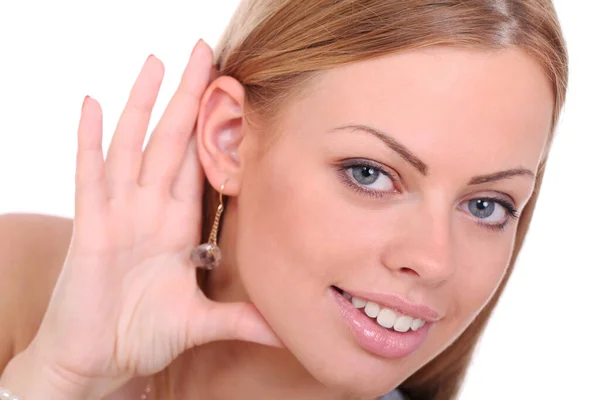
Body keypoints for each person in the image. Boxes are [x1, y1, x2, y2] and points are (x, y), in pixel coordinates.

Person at [0, 0, 568, 399]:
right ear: (229, 139)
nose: (435, 260)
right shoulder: (14, 278)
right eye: (370, 173)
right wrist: (58, 378)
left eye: (486, 205)